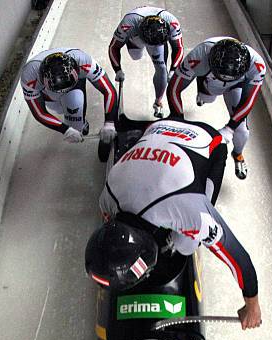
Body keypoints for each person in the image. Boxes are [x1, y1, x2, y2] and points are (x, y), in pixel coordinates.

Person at [85, 118, 262, 329]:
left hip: (206, 139)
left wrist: (252, 306)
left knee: (186, 246)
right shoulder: (107, 199)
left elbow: (237, 256)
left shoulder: (191, 213)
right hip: (157, 129)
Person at [167, 37, 266, 179]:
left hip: (236, 86)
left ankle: (237, 154)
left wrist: (230, 128)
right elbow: (174, 89)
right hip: (210, 82)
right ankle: (202, 91)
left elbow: (249, 99)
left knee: (242, 131)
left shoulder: (257, 65)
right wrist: (178, 121)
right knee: (208, 99)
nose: (225, 78)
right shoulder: (198, 55)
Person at [20, 48, 117, 143]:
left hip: (73, 87)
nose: (63, 91)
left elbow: (108, 90)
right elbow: (39, 112)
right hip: (48, 93)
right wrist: (65, 129)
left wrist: (109, 122)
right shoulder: (29, 76)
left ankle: (80, 122)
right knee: (61, 111)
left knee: (76, 120)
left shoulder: (83, 61)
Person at [108, 7, 184, 118]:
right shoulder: (128, 24)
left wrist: (173, 70)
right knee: (136, 56)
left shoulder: (172, 22)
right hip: (136, 37)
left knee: (162, 68)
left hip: (157, 41)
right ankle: (135, 42)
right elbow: (113, 47)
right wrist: (117, 69)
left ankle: (158, 101)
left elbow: (179, 47)